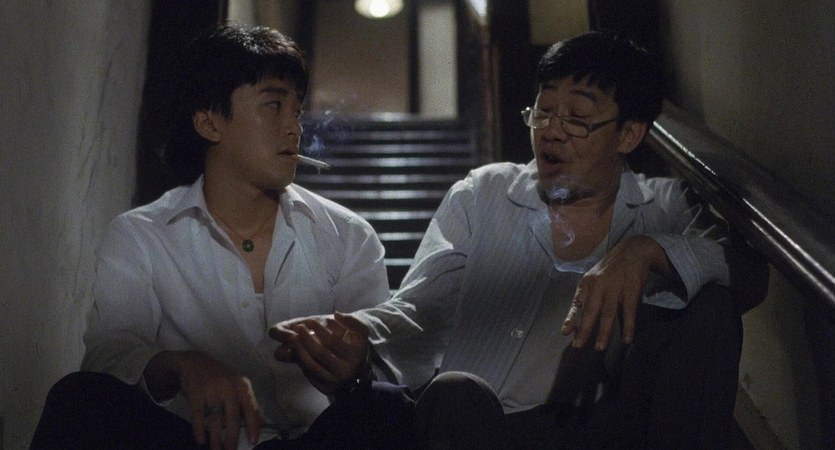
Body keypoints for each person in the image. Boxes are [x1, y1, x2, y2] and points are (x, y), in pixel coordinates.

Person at [30, 23, 419, 449]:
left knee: (387, 406)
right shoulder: (142, 235)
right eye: (274, 105)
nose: (294, 128)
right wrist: (182, 366)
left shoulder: (347, 236)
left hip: (312, 440)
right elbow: (108, 356)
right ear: (210, 123)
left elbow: (386, 371)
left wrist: (355, 372)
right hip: (197, 441)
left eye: (296, 110)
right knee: (79, 398)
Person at [383, 30, 768, 449]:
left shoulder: (664, 207)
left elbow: (746, 271)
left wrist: (647, 251)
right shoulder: (484, 193)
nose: (551, 130)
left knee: (712, 306)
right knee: (452, 394)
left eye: (578, 118)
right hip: (476, 425)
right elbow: (416, 311)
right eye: (544, 110)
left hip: (589, 431)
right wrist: (359, 339)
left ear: (628, 135)